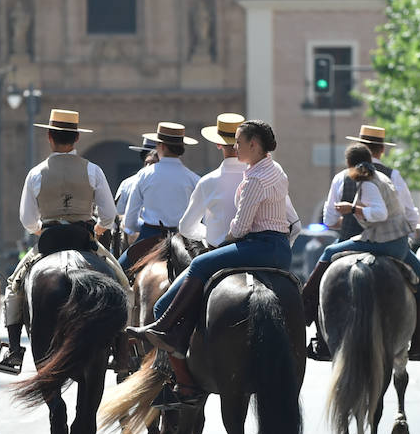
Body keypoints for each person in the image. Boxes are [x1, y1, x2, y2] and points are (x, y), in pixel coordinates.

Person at [128, 120, 296, 408]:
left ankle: (167, 333)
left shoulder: (250, 178)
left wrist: (221, 244)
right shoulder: (274, 170)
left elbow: (240, 228)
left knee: (198, 266)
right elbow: (295, 223)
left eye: (239, 143)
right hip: (278, 250)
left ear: (252, 144)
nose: (235, 147)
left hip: (255, 246)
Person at [0, 108, 131, 375]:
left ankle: (13, 350)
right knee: (123, 285)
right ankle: (123, 347)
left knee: (14, 287)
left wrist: (41, 229)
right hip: (84, 239)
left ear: (49, 137)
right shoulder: (92, 170)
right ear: (77, 137)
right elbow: (108, 215)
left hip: (48, 241)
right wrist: (98, 228)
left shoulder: (36, 173)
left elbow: (27, 219)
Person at [300, 143, 420, 362]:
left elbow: (378, 214)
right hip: (395, 241)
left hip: (383, 243)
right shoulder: (385, 177)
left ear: (349, 164)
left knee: (328, 251)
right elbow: (407, 215)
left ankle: (305, 306)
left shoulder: (367, 183)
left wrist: (353, 209)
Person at [119, 122, 201, 272]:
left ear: (161, 146)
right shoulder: (193, 178)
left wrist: (142, 227)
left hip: (150, 238)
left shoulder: (144, 175)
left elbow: (130, 221)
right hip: (184, 241)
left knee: (118, 273)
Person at [332, 124, 420, 237]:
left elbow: (330, 220)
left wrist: (348, 216)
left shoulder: (342, 177)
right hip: (390, 238)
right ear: (382, 149)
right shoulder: (392, 176)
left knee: (328, 252)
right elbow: (409, 213)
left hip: (354, 238)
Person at [178, 113, 247, 249]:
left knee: (193, 269)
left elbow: (186, 227)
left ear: (218, 144)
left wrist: (207, 233)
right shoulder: (262, 176)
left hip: (220, 254)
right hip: (258, 254)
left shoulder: (207, 182)